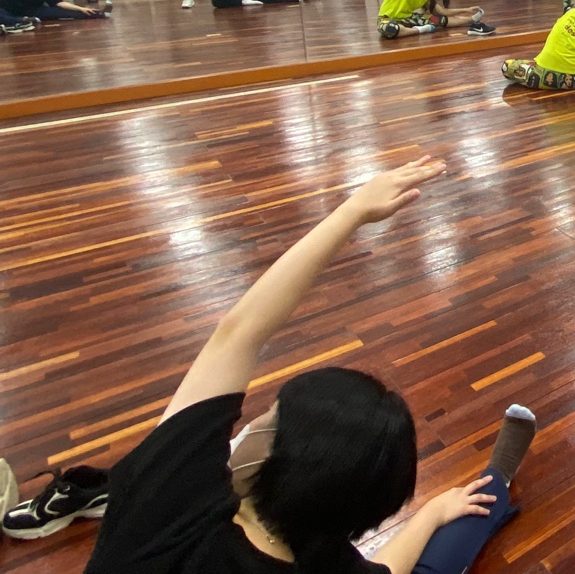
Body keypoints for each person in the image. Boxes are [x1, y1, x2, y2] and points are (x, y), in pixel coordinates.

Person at [82, 156, 538, 574]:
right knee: (447, 545)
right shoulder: (324, 557)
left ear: (270, 459)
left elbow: (236, 334)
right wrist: (433, 514)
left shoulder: (165, 507)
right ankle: (496, 480)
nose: (248, 425)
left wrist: (353, 211)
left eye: (270, 418)